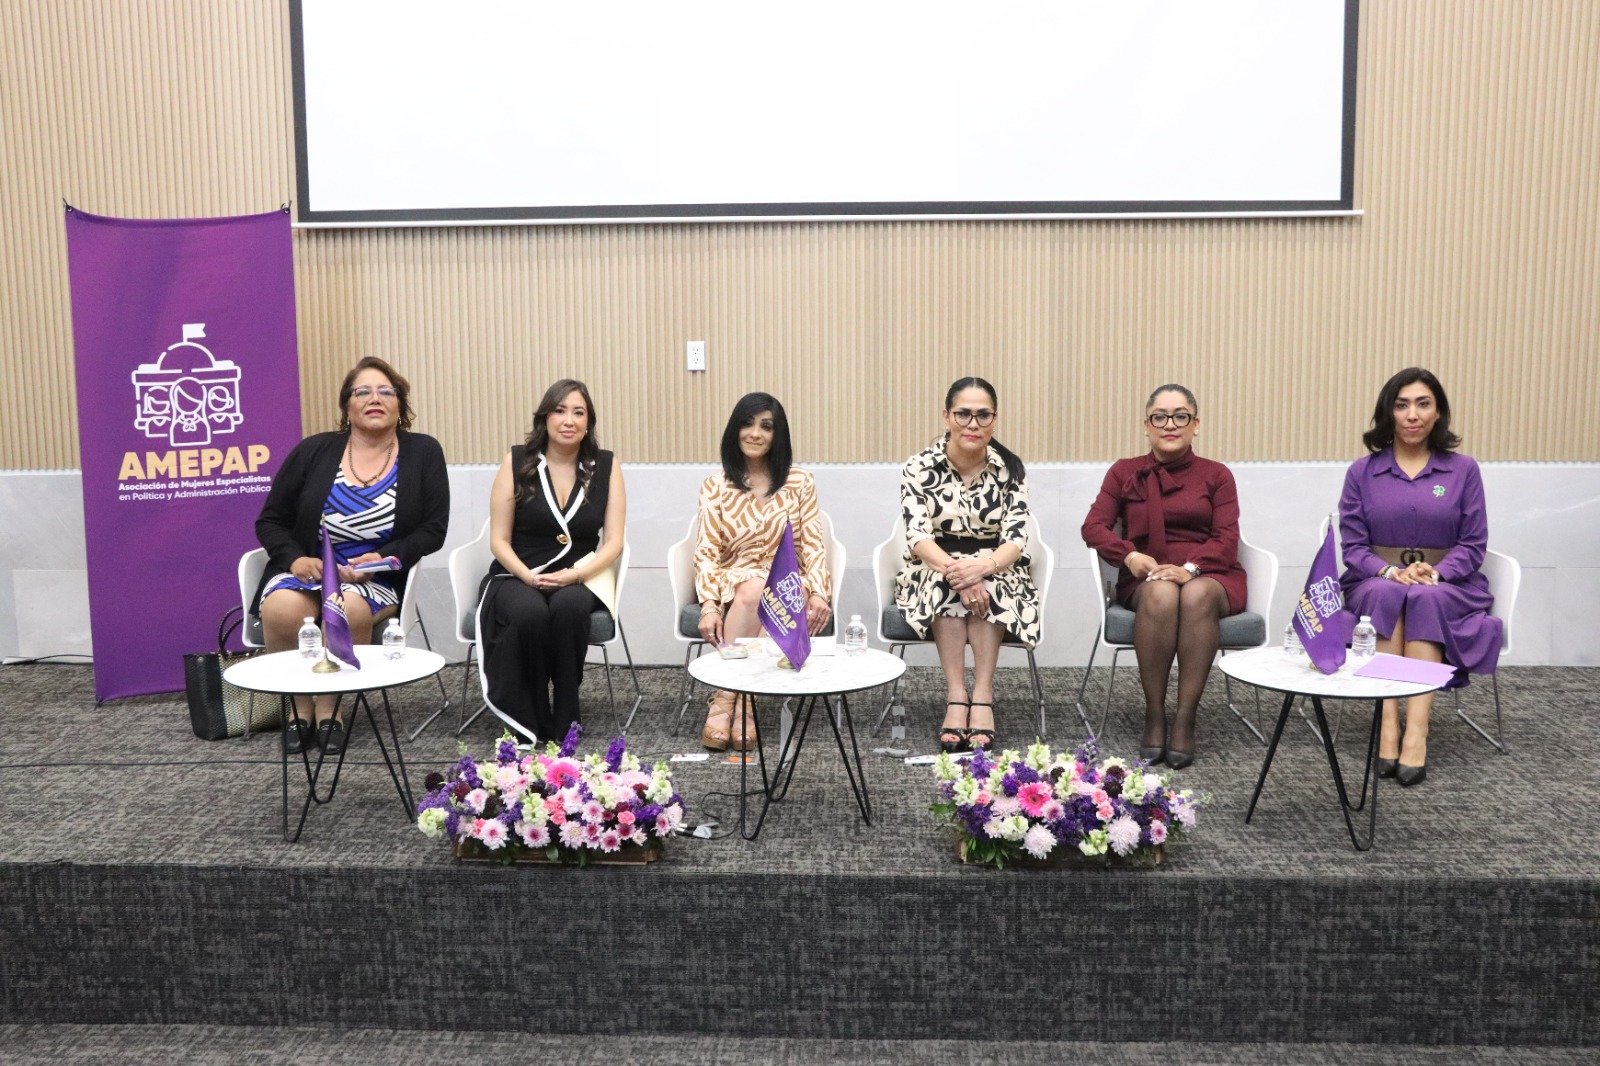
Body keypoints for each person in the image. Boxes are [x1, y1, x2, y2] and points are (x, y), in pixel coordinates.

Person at [255, 357, 450, 755]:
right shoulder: (313, 451)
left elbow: (433, 529)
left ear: (400, 405)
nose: (374, 399)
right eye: (362, 392)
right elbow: (271, 520)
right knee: (280, 610)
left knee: (348, 610)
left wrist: (382, 557)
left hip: (374, 578)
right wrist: (294, 560)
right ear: (347, 406)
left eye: (385, 392)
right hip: (308, 570)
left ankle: (332, 712)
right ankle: (297, 711)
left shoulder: (423, 452)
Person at [1339, 367, 1499, 787]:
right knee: (1388, 594)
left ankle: (1417, 729)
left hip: (1448, 583)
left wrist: (1438, 573)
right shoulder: (1362, 472)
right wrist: (1391, 571)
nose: (1413, 414)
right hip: (1376, 578)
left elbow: (1474, 542)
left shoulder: (1463, 470)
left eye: (1423, 404)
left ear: (1438, 412)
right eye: (1402, 404)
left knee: (1425, 597)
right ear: (1388, 413)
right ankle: (1388, 722)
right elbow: (1353, 548)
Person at [1080, 384, 1246, 769]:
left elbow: (1227, 538)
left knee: (1194, 595)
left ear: (1195, 424)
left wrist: (1189, 570)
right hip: (1147, 576)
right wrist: (1130, 556)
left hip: (1210, 574)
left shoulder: (1216, 475)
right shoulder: (1124, 472)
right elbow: (1094, 527)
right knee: (1160, 594)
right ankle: (1155, 713)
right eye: (1160, 417)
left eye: (1180, 416)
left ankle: (1186, 716)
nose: (1170, 424)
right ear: (1147, 425)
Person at [476, 379, 627, 744]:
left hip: (579, 577)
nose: (568, 420)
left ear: (589, 422)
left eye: (579, 412)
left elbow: (614, 542)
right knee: (529, 614)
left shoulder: (605, 465)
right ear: (545, 418)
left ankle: (566, 715)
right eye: (559, 411)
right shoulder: (517, 461)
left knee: (570, 609)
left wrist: (575, 575)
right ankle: (530, 715)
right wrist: (528, 577)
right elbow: (498, 540)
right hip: (517, 575)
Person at [894, 377, 1039, 754]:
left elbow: (1017, 537)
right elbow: (917, 536)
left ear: (995, 419)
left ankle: (984, 696)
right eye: (963, 414)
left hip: (995, 565)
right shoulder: (918, 467)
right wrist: (959, 572)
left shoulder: (1011, 470)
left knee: (990, 588)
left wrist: (983, 568)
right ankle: (957, 696)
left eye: (982, 414)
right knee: (948, 587)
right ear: (947, 416)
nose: (972, 424)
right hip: (935, 565)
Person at [695, 393, 832, 750]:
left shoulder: (799, 481)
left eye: (766, 426)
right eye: (747, 423)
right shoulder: (716, 485)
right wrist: (709, 604)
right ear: (734, 430)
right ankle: (743, 702)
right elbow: (707, 550)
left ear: (778, 435)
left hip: (788, 580)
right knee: (753, 588)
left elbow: (812, 544)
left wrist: (819, 591)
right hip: (733, 577)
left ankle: (728, 698)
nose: (755, 433)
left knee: (760, 588)